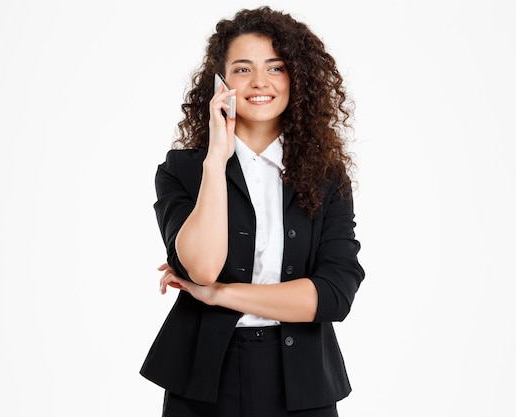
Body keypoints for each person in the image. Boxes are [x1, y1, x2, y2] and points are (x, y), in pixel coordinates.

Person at [140, 6, 365, 417]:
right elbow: (202, 269)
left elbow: (333, 295)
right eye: (243, 69)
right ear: (220, 82)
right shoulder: (184, 171)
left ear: (297, 78)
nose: (260, 82)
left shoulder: (326, 176)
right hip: (204, 382)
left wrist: (221, 295)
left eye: (275, 67)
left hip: (302, 384)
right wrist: (216, 158)